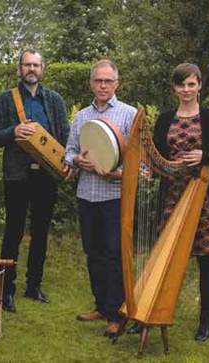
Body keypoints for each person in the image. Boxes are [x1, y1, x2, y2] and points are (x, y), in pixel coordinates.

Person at [153, 63, 209, 341]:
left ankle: (205, 323)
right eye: (181, 85)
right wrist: (149, 168)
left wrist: (203, 156)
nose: (186, 90)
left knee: (206, 261)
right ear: (174, 88)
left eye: (191, 84)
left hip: (204, 198)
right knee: (165, 259)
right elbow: (157, 158)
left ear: (199, 86)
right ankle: (154, 313)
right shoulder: (164, 119)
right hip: (172, 196)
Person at [0, 49, 69, 313]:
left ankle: (33, 285)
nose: (31, 69)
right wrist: (14, 131)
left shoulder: (55, 100)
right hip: (17, 175)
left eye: (36, 65)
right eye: (27, 65)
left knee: (40, 232)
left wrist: (65, 163)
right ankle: (6, 289)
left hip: (46, 175)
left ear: (42, 68)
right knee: (13, 232)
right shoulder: (6, 99)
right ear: (19, 69)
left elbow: (65, 136)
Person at [64, 59, 136, 337]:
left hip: (114, 196)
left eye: (108, 81)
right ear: (91, 83)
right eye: (98, 80)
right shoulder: (81, 116)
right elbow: (68, 152)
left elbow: (139, 164)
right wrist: (77, 161)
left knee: (112, 254)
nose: (103, 85)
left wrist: (116, 173)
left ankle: (117, 314)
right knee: (93, 252)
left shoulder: (129, 115)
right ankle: (102, 306)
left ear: (117, 83)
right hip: (86, 195)